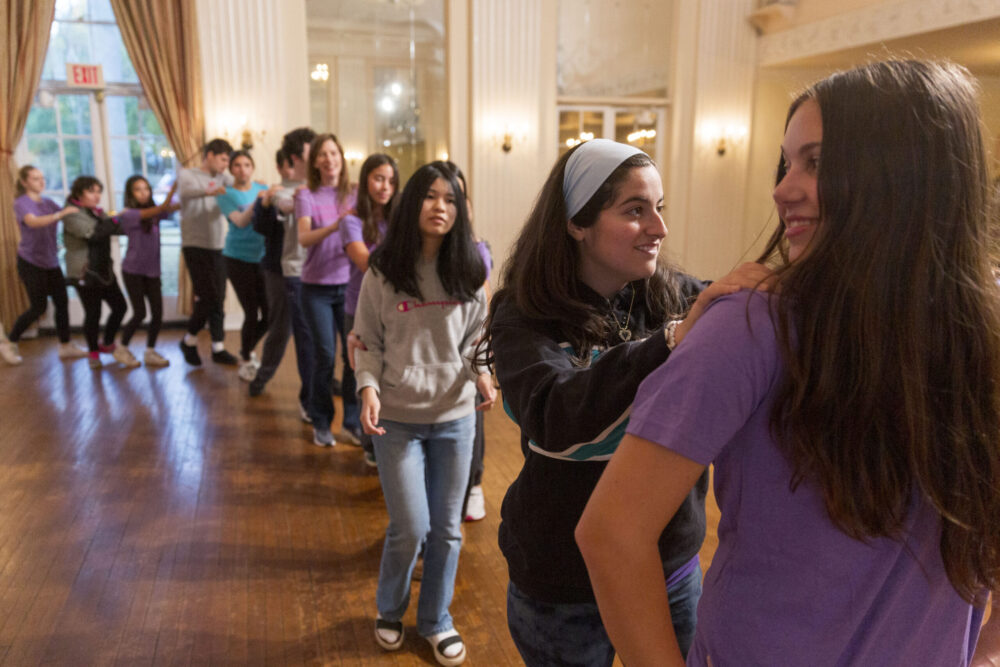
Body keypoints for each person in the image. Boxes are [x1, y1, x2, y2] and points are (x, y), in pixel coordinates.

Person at [576, 60, 1000, 667]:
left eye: (817, 162)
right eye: (788, 162)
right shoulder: (750, 327)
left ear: (906, 175)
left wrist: (985, 652)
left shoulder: (982, 329)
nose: (781, 188)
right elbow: (612, 533)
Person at [475, 138, 766, 666]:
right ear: (576, 223)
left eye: (659, 208)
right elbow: (553, 415)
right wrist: (670, 341)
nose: (658, 228)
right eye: (635, 211)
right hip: (562, 580)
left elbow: (735, 312)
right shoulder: (524, 313)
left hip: (669, 565)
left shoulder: (668, 295)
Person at [354, 162, 494, 666]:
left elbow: (477, 338)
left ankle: (435, 619)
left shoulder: (470, 269)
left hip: (455, 416)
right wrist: (367, 387)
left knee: (449, 529)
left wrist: (482, 372)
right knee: (410, 526)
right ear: (412, 203)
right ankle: (389, 609)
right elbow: (366, 340)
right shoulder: (383, 270)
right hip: (398, 418)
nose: (441, 207)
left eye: (451, 199)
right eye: (431, 197)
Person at [434, 161, 492, 522]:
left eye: (454, 196)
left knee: (474, 412)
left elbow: (483, 298)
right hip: (430, 360)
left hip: (467, 351)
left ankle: (474, 485)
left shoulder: (476, 249)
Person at [296, 133, 360, 447]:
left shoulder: (356, 194)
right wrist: (338, 224)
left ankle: (350, 422)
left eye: (333, 152)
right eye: (322, 154)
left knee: (352, 359)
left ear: (341, 158)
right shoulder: (306, 194)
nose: (329, 159)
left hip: (349, 287)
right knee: (324, 356)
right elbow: (304, 238)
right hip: (315, 289)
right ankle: (320, 420)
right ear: (316, 162)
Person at [248, 128, 316, 418]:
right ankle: (262, 377)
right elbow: (262, 226)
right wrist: (266, 202)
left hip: (314, 273)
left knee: (313, 336)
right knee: (281, 327)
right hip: (279, 270)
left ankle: (316, 391)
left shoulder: (317, 189)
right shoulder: (278, 193)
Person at [340, 153, 398, 467]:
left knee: (389, 374)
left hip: (395, 309)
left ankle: (386, 436)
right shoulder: (352, 221)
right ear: (365, 181)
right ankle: (368, 441)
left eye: (390, 180)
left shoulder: (400, 219)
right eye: (378, 178)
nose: (384, 186)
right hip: (359, 307)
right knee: (362, 371)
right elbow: (367, 263)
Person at [1, 165, 85, 365]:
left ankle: (65, 346)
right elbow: (33, 222)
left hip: (51, 262)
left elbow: (70, 216)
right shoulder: (21, 203)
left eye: (42, 177)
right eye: (35, 178)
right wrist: (60, 215)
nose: (41, 182)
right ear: (24, 182)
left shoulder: (48, 202)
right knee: (38, 307)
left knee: (62, 303)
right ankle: (9, 342)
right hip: (30, 263)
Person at [177, 138, 238, 366]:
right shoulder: (187, 175)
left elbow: (239, 183)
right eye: (223, 159)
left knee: (219, 297)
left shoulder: (224, 177)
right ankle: (189, 339)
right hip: (195, 245)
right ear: (210, 155)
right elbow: (188, 191)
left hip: (218, 245)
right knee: (208, 295)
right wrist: (215, 188)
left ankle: (218, 347)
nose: (225, 165)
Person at [61, 176, 130, 369]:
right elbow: (94, 233)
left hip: (104, 270)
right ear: (79, 193)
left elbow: (115, 228)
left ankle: (107, 343)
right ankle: (93, 353)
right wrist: (117, 217)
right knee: (93, 313)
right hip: (84, 273)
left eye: (99, 191)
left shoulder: (98, 213)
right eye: (92, 191)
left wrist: (128, 220)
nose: (97, 195)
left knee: (120, 307)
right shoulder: (72, 213)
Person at [216, 150, 268, 381]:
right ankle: (247, 359)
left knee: (270, 314)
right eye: (237, 165)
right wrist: (260, 200)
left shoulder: (261, 189)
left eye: (247, 164)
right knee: (251, 311)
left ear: (252, 167)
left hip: (262, 257)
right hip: (236, 258)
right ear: (231, 169)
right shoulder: (225, 193)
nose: (242, 169)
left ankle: (246, 349)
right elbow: (239, 220)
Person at [118, 175, 180, 367]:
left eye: (146, 188)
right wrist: (174, 187)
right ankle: (122, 349)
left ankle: (150, 351)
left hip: (153, 271)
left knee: (158, 314)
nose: (143, 193)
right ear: (130, 193)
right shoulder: (128, 214)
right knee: (139, 314)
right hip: (133, 270)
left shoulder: (153, 214)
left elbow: (171, 208)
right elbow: (162, 207)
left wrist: (195, 193)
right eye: (138, 189)